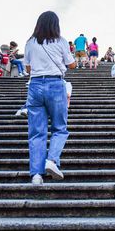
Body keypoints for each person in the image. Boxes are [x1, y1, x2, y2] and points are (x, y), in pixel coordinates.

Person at [23, 11, 76, 185]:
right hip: (55, 84)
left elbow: (28, 69)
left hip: (35, 86)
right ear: (55, 24)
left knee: (36, 132)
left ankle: (36, 175)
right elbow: (71, 64)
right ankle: (52, 161)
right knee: (60, 127)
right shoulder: (60, 41)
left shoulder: (30, 42)